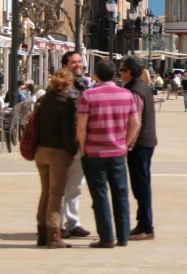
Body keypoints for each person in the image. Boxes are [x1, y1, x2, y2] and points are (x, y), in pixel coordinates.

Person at [76, 59, 141, 248]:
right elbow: (135, 123)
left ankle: (106, 237)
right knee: (120, 194)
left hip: (94, 152)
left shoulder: (88, 96)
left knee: (100, 195)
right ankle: (123, 236)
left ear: (96, 75)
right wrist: (125, 144)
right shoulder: (126, 95)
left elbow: (81, 127)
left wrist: (83, 147)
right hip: (118, 152)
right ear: (114, 74)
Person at [34, 69, 78, 249]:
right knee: (56, 194)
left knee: (45, 191)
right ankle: (54, 234)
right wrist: (73, 150)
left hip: (41, 151)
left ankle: (41, 231)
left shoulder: (44, 99)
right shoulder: (66, 102)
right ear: (68, 82)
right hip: (58, 152)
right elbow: (68, 132)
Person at [119, 56, 158, 242]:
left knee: (141, 186)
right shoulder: (141, 87)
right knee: (141, 185)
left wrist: (126, 146)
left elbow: (135, 123)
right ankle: (142, 223)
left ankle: (147, 227)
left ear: (129, 72)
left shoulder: (135, 91)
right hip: (146, 143)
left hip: (140, 145)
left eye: (122, 70)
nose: (119, 73)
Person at [59, 51, 92, 240]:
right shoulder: (62, 87)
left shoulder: (80, 84)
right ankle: (58, 223)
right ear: (65, 65)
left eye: (79, 62)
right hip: (64, 145)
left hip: (78, 143)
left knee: (76, 185)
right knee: (59, 187)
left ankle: (72, 223)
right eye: (73, 62)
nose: (78, 65)